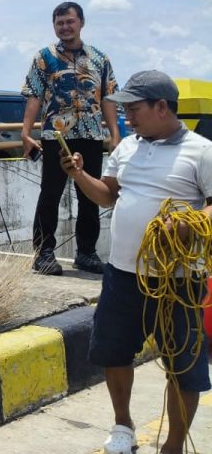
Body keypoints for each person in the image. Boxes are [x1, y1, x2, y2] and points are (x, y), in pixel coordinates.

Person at [59, 70, 212, 454]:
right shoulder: (126, 147)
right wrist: (79, 176)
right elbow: (108, 196)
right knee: (114, 351)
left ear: (162, 107)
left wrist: (189, 224)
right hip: (123, 275)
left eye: (134, 107)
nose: (127, 115)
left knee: (184, 367)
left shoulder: (201, 151)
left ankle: (173, 445)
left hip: (178, 281)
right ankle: (123, 424)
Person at [21, 1, 120, 275]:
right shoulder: (45, 57)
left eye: (69, 22)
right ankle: (43, 253)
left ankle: (86, 253)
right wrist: (26, 131)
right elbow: (34, 95)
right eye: (59, 23)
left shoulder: (100, 58)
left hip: (90, 133)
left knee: (90, 195)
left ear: (81, 23)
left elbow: (109, 96)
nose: (64, 27)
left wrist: (115, 134)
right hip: (56, 135)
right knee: (50, 194)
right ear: (54, 26)